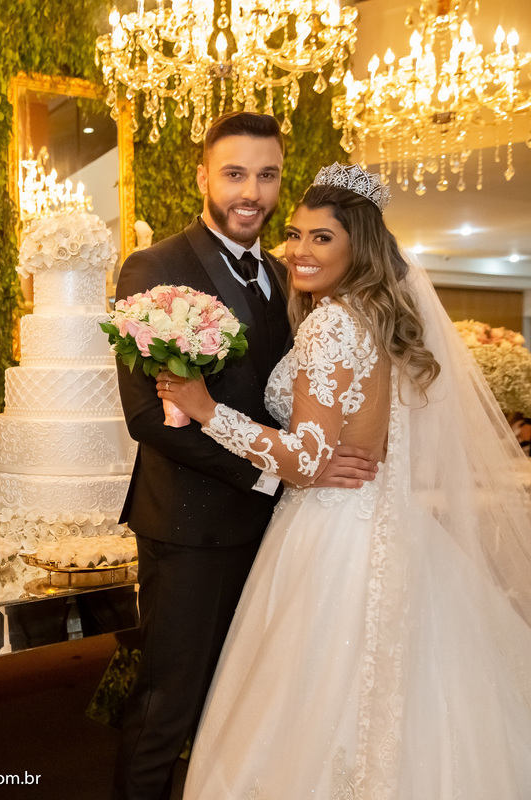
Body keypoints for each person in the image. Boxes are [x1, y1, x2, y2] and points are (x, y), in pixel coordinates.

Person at [160, 164, 531, 797]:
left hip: (332, 532)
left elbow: (307, 457)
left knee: (313, 702)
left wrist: (205, 409)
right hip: (384, 523)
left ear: (358, 244)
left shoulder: (333, 321)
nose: (300, 250)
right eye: (297, 235)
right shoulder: (376, 316)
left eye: (322, 238)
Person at [112, 113, 377, 800]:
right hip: (191, 530)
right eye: (234, 173)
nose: (251, 191)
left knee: (245, 707)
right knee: (165, 707)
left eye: (266, 175)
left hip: (282, 533)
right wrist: (277, 472)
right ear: (203, 176)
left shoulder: (291, 274)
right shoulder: (156, 266)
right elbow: (149, 418)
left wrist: (310, 462)